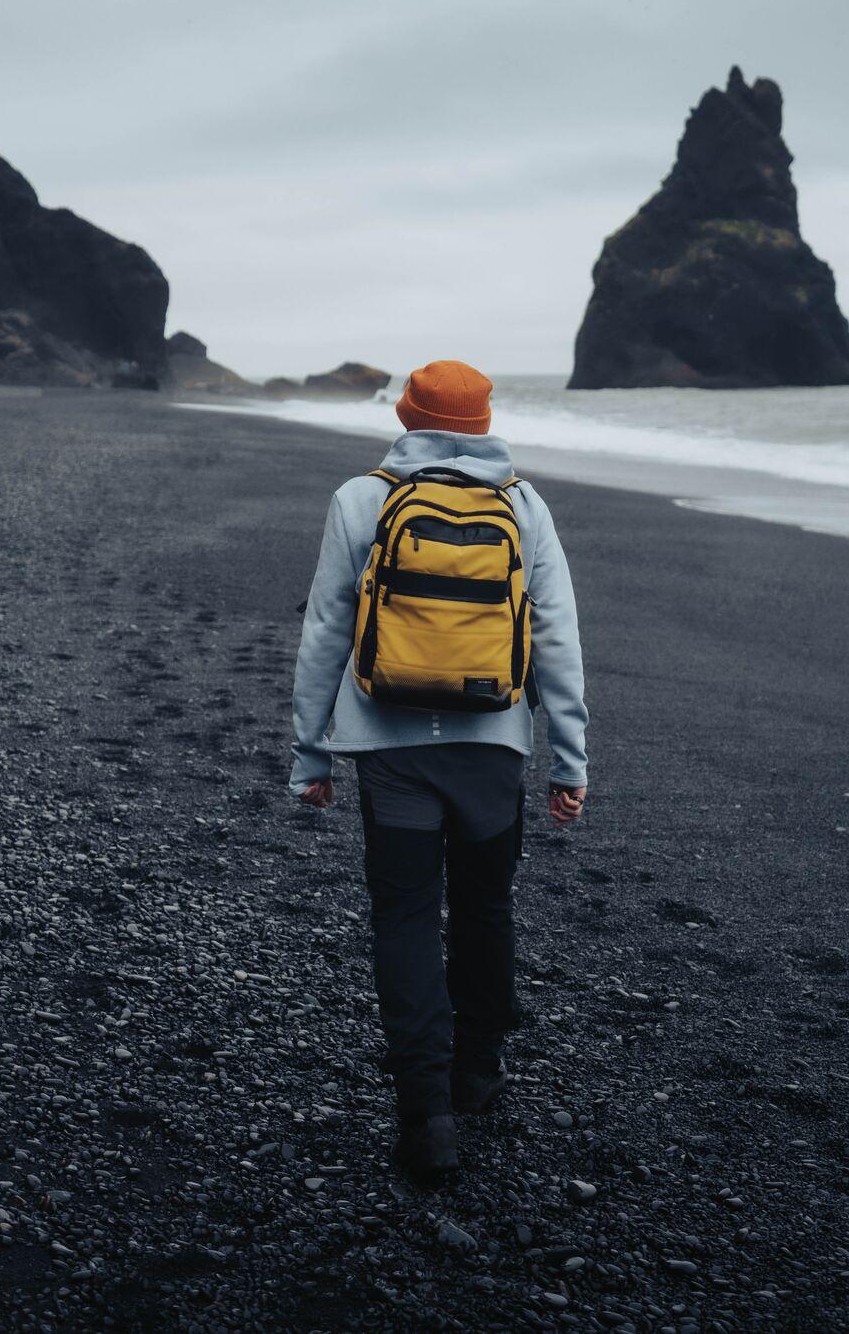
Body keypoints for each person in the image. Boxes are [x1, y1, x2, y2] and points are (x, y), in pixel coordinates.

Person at [288, 358, 590, 1181]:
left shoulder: (361, 499)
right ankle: (479, 1070)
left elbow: (324, 631)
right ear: (485, 424)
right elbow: (556, 639)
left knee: (407, 918)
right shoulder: (524, 506)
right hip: (493, 749)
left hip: (389, 751)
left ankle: (425, 1112)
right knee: (486, 904)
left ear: (407, 416)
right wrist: (570, 756)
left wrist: (311, 752)